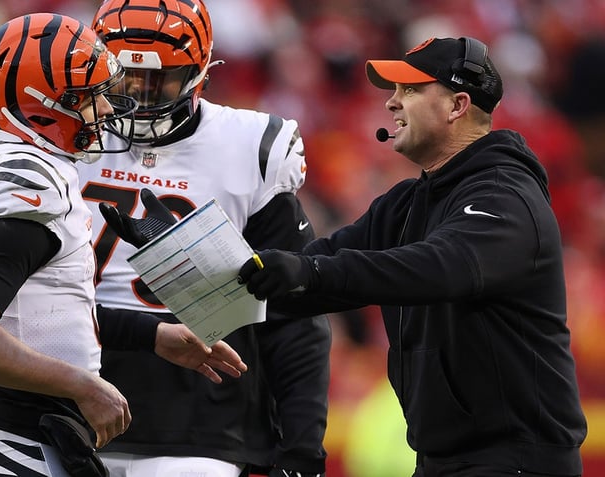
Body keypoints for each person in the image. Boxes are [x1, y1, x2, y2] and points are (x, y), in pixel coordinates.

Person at [0, 2, 330, 476]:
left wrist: (302, 444)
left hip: (193, 411)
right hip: (62, 407)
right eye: (123, 84)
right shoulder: (57, 142)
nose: (136, 103)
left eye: (160, 83)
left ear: (201, 74)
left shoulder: (248, 148)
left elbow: (293, 307)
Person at [234, 37, 588, 476]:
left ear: (458, 105)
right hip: (443, 461)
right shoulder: (406, 203)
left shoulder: (506, 195)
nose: (391, 104)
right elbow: (310, 271)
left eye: (410, 90)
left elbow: (439, 267)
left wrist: (306, 270)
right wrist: (201, 269)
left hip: (516, 462)